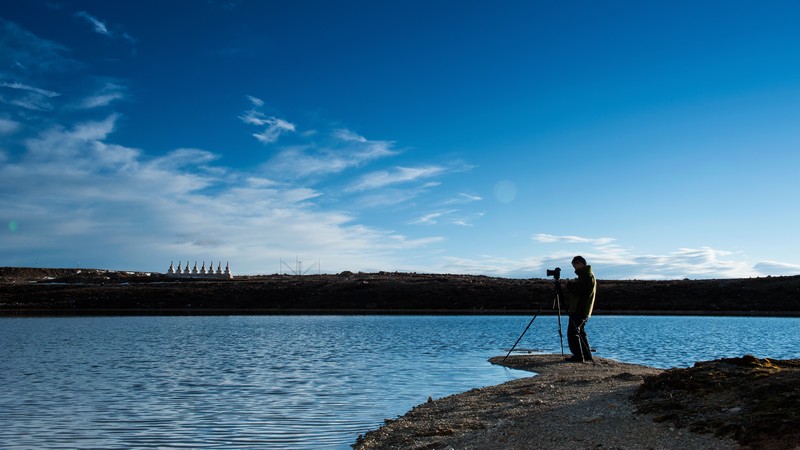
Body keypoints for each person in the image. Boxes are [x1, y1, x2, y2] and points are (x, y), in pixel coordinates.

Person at [564, 255, 596, 362]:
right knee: (580, 332)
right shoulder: (586, 275)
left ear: (580, 263)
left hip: (580, 309)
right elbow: (580, 289)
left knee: (573, 332)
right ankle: (586, 355)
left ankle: (578, 356)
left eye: (575, 265)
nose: (575, 268)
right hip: (582, 309)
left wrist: (569, 285)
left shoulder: (587, 276)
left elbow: (579, 291)